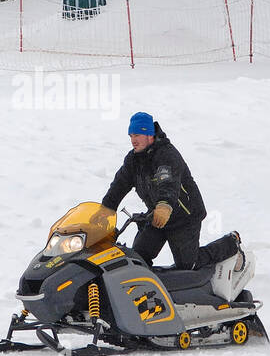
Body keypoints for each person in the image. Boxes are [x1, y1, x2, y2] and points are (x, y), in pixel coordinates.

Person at [101, 111, 243, 270]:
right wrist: (105, 210)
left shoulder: (165, 155)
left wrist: (164, 206)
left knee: (189, 264)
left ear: (149, 135)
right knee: (138, 257)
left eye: (138, 135)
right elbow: (119, 185)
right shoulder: (133, 160)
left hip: (184, 216)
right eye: (131, 136)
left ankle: (231, 243)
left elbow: (168, 183)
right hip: (158, 215)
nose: (133, 140)